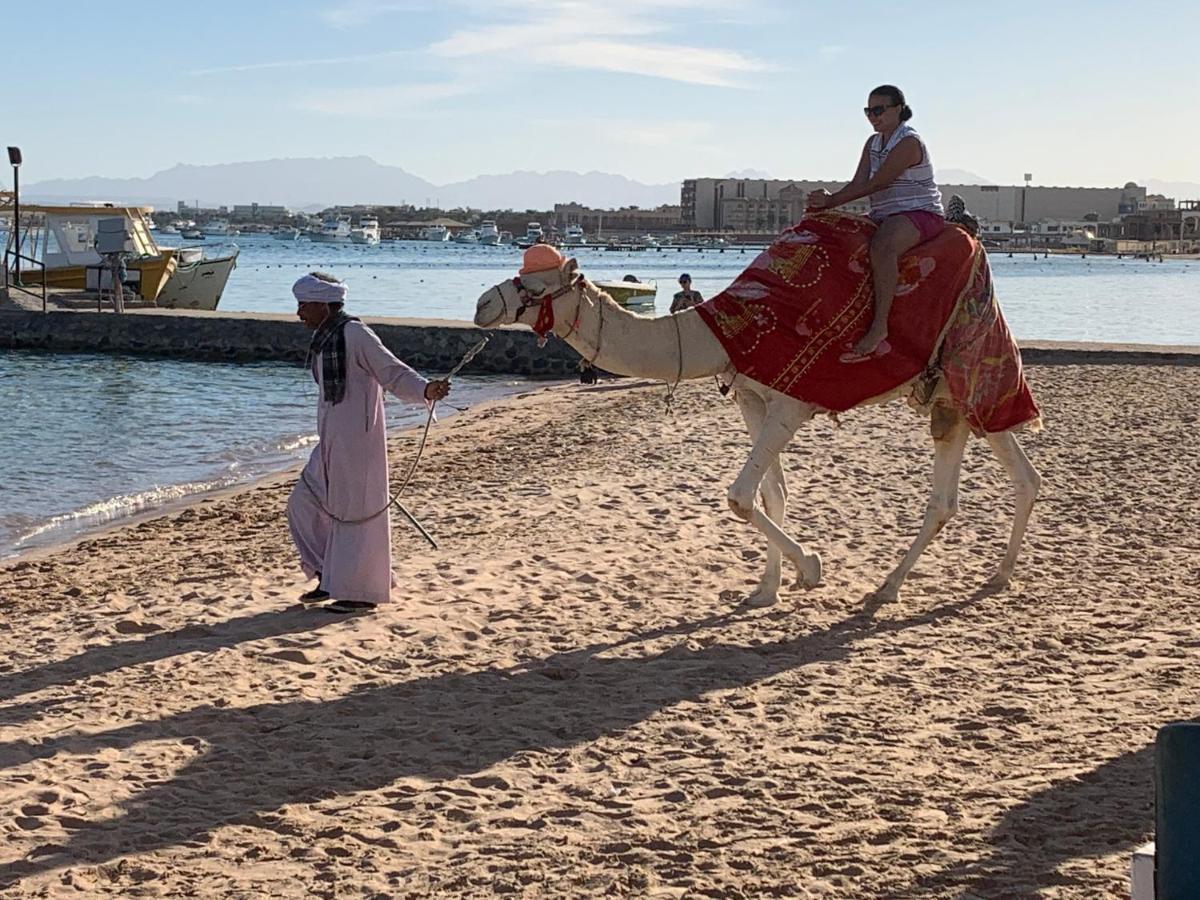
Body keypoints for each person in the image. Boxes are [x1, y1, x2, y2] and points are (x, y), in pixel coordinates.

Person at [286, 272, 451, 614]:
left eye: (304, 305)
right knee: (302, 504)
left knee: (357, 515)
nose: (299, 312)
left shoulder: (354, 333)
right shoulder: (325, 337)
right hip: (331, 442)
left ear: (324, 305)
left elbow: (392, 372)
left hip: (359, 442)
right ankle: (329, 575)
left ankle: (360, 592)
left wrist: (424, 389)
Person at [806, 84, 945, 362]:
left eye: (879, 110)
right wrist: (827, 203)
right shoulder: (874, 143)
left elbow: (878, 182)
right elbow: (859, 182)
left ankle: (879, 326)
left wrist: (832, 201)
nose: (873, 116)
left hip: (919, 212)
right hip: (884, 213)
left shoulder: (908, 142)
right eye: (868, 111)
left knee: (883, 247)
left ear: (899, 110)